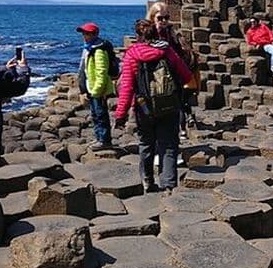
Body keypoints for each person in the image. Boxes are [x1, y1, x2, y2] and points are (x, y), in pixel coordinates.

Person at [114, 19, 192, 192]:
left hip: (144, 108)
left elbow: (126, 87)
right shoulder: (167, 50)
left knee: (146, 145)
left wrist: (120, 115)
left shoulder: (132, 54)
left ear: (137, 35)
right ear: (155, 33)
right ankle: (169, 186)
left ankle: (147, 181)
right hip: (169, 106)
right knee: (169, 146)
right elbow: (187, 76)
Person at [146, 1, 200, 138]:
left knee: (176, 106)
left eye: (166, 18)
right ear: (152, 18)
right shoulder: (147, 36)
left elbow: (179, 56)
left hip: (173, 78)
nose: (164, 21)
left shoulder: (173, 35)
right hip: (153, 79)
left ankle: (178, 132)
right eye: (160, 18)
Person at [76, 22, 115, 150]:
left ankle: (104, 140)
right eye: (83, 33)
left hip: (98, 90)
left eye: (87, 33)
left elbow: (101, 72)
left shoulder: (99, 50)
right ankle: (99, 138)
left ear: (95, 34)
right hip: (91, 87)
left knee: (100, 115)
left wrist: (97, 90)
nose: (84, 36)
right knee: (95, 114)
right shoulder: (88, 48)